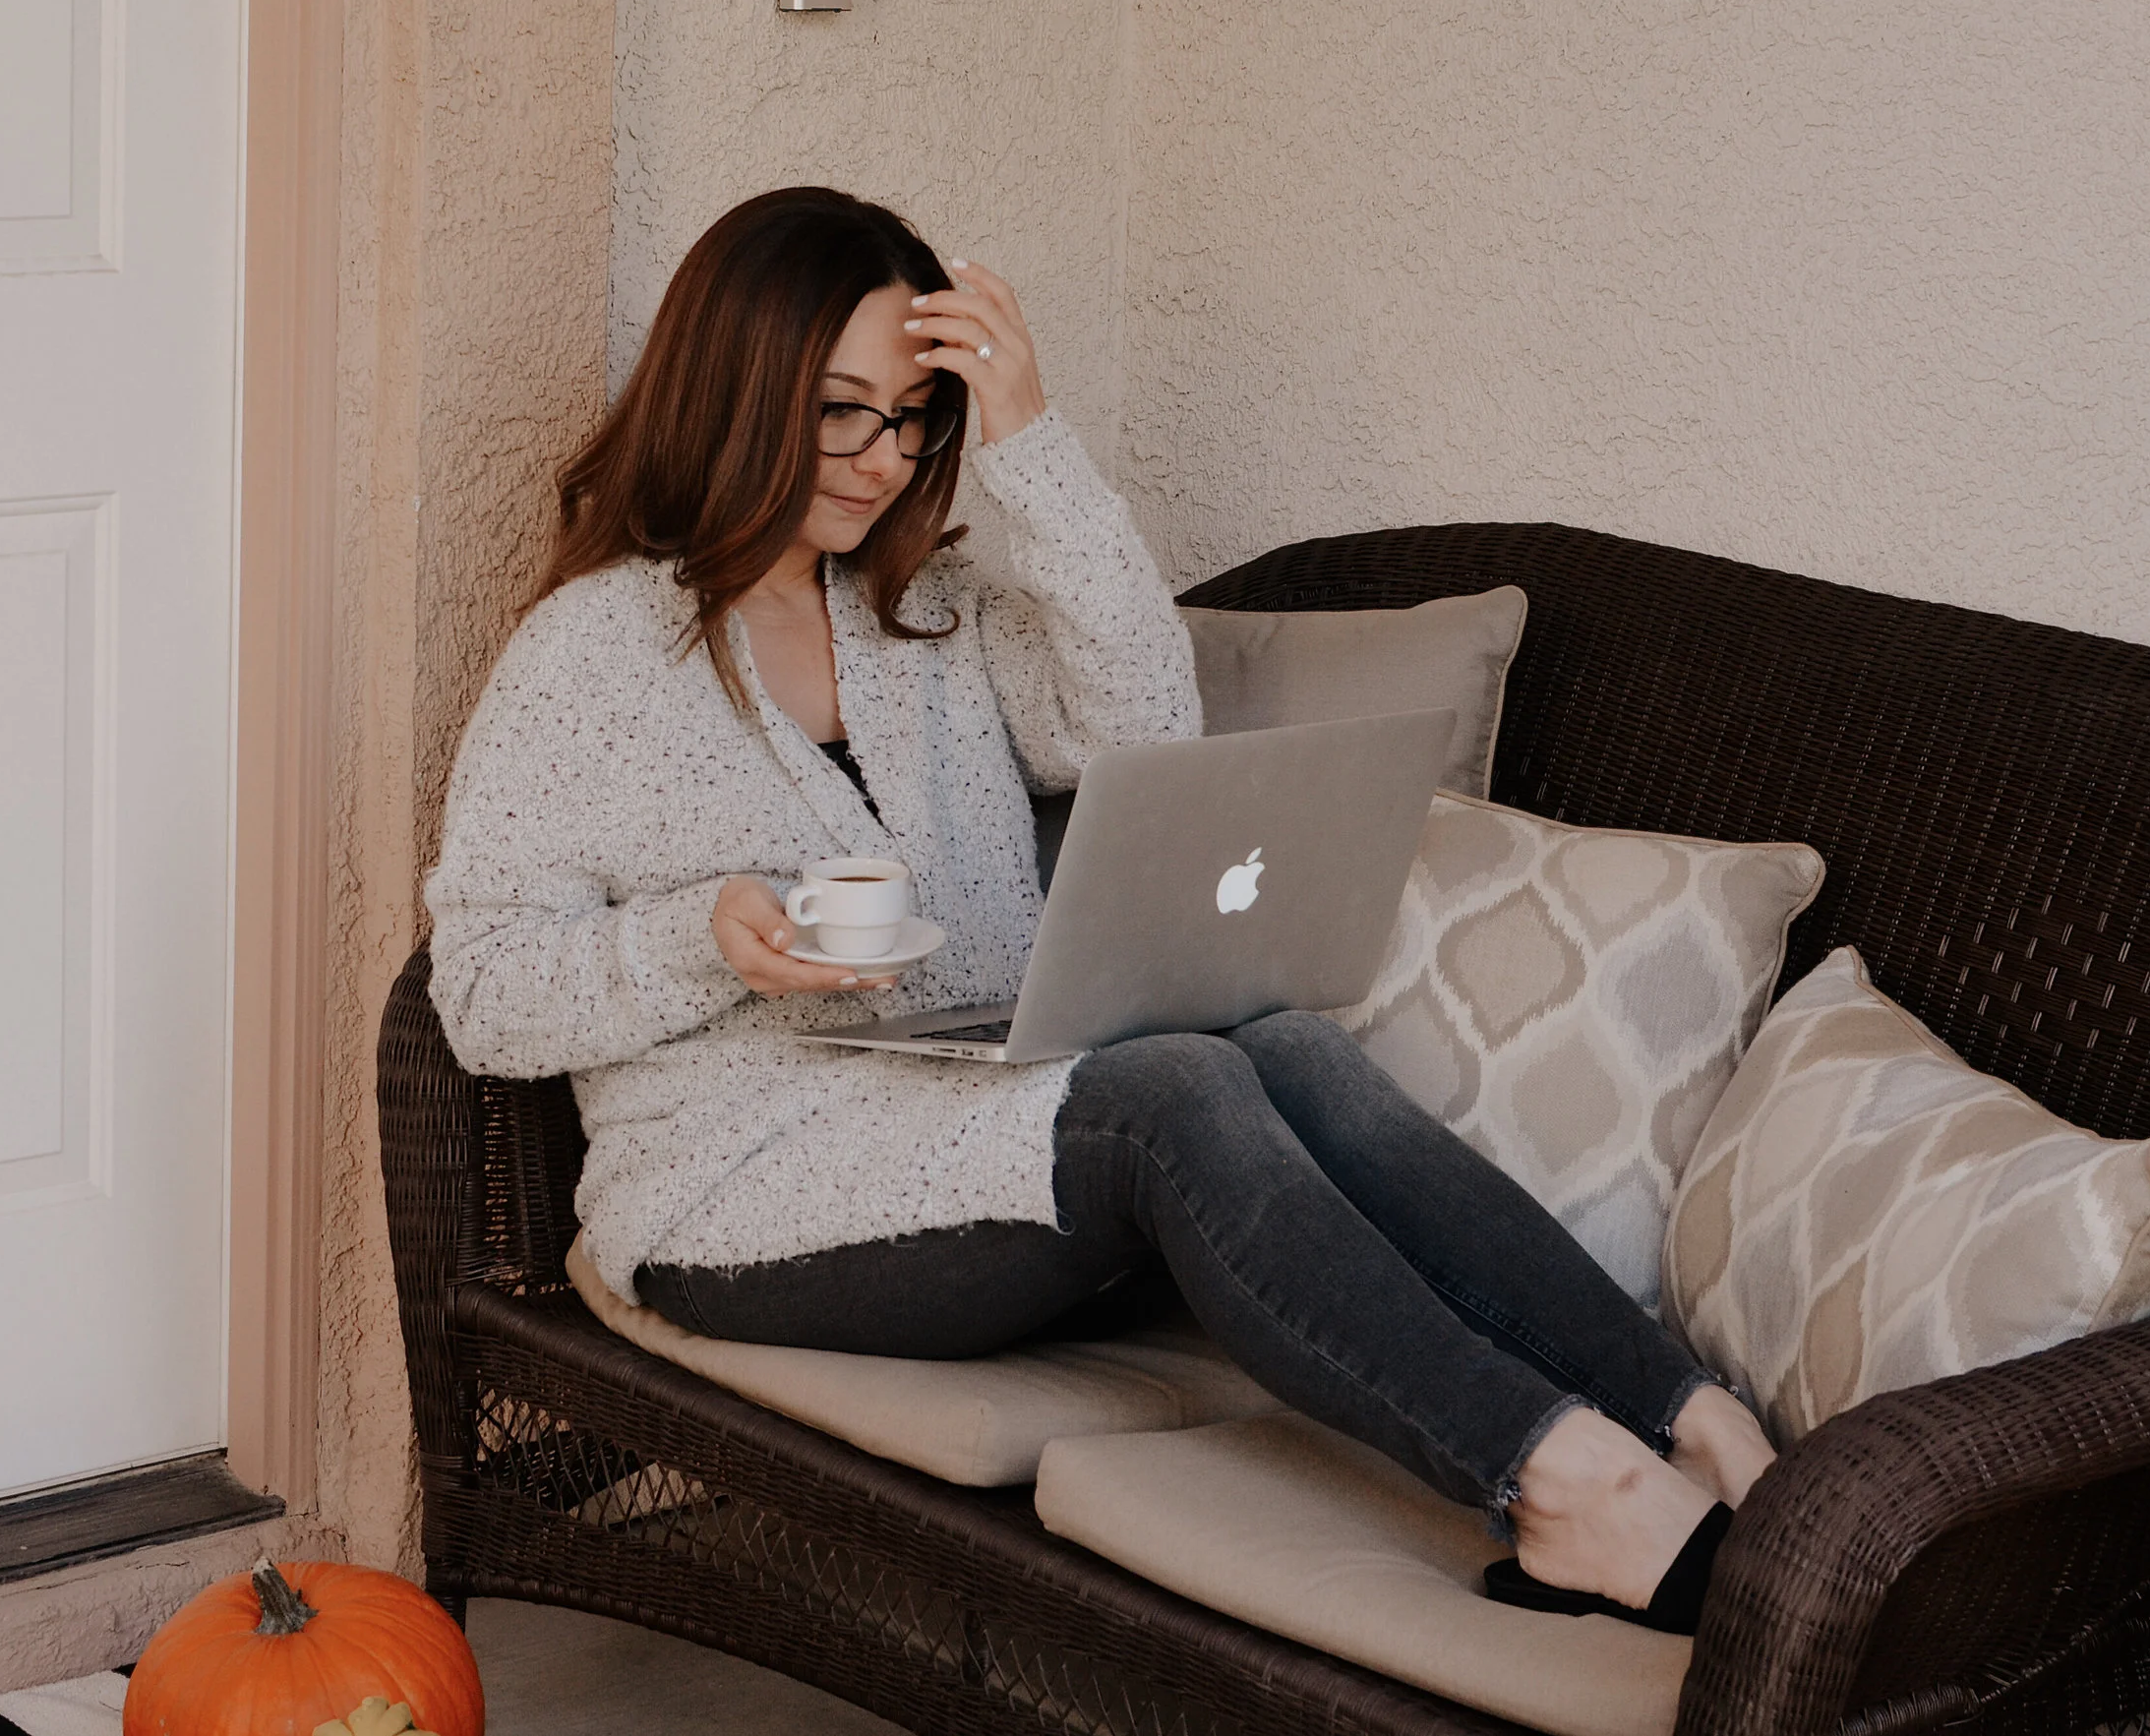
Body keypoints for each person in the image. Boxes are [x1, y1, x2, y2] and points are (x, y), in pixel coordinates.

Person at [427, 187, 1774, 1632]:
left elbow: (1141, 733)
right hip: (738, 1189)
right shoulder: (592, 657)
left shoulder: (927, 620)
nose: (880, 460)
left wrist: (1031, 439)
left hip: (979, 1110)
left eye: (912, 418)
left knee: (1290, 1048)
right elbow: (484, 991)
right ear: (736, 382)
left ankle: (1693, 1424)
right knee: (1174, 1094)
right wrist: (704, 935)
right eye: (839, 411)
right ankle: (1568, 1492)